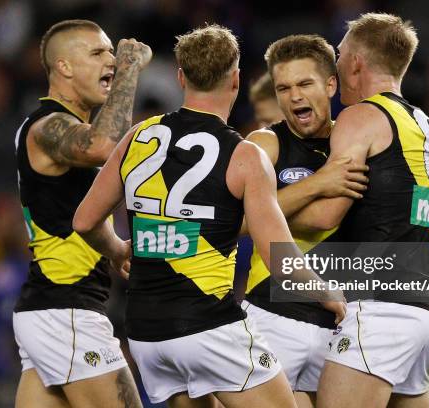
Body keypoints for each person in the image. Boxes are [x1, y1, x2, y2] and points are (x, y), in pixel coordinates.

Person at [73, 24, 345, 408]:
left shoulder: (139, 136)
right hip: (208, 326)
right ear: (235, 80)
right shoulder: (245, 155)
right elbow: (280, 259)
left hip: (146, 334)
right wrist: (328, 294)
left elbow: (84, 220)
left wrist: (117, 249)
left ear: (181, 77)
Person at [242, 34, 429, 408]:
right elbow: (232, 222)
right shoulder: (265, 144)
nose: (294, 96)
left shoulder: (359, 134)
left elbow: (399, 187)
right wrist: (317, 184)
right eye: (284, 88)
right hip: (274, 310)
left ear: (331, 84)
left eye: (304, 84)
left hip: (339, 319)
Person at [12, 19, 151, 408]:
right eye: (97, 53)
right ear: (64, 67)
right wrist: (129, 68)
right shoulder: (46, 126)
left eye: (111, 51)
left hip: (45, 310)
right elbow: (105, 145)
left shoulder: (60, 131)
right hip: (66, 311)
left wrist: (116, 249)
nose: (110, 58)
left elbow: (76, 220)